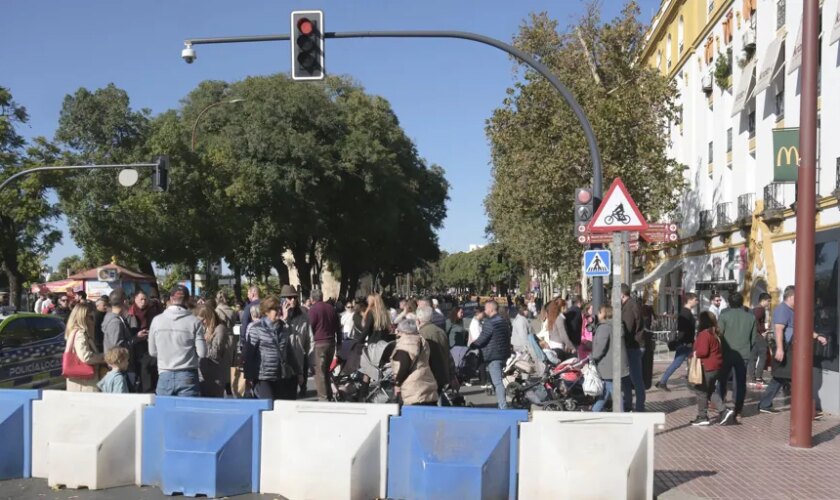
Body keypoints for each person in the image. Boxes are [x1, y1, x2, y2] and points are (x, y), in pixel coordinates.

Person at [758, 286, 828, 414]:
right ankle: (807, 410)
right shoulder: (783, 310)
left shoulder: (793, 311)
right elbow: (779, 329)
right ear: (791, 297)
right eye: (798, 298)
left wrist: (817, 336)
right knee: (795, 378)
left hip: (791, 350)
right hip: (786, 349)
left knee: (780, 378)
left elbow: (802, 328)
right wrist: (780, 349)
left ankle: (765, 404)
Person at [148, 285, 207, 397]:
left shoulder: (157, 321)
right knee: (187, 413)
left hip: (165, 374)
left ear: (170, 299)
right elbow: (202, 353)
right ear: (187, 300)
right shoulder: (194, 322)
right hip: (187, 375)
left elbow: (152, 352)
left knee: (165, 413)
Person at [245, 296, 302, 400]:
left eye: (279, 308)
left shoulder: (284, 329)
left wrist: (298, 372)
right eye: (275, 309)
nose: (279, 311)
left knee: (280, 407)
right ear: (266, 311)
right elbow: (249, 355)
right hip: (263, 377)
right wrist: (248, 377)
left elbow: (289, 353)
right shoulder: (256, 329)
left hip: (281, 376)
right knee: (268, 405)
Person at [691, 312, 736, 426]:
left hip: (706, 366)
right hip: (716, 367)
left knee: (700, 391)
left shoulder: (704, 334)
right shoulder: (714, 333)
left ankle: (702, 416)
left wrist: (695, 353)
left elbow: (703, 351)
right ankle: (724, 411)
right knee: (710, 390)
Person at [717, 292, 756, 420]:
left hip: (726, 353)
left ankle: (720, 404)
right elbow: (753, 339)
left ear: (729, 302)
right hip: (743, 353)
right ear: (742, 302)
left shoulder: (724, 316)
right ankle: (738, 409)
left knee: (722, 380)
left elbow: (719, 335)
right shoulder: (751, 317)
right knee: (739, 382)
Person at [469, 300, 512, 409]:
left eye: (486, 308)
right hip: (503, 355)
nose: (485, 310)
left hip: (493, 356)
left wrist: (473, 345)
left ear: (492, 309)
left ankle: (503, 406)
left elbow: (483, 338)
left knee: (497, 383)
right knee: (495, 381)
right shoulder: (503, 321)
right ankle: (501, 404)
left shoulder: (490, 322)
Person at [590, 305, 630, 412]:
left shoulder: (604, 328)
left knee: (613, 391)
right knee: (606, 391)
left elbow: (600, 348)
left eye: (599, 313)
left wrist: (592, 357)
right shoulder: (617, 325)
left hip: (608, 366)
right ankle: (595, 411)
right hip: (616, 365)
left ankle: (620, 414)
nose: (597, 315)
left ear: (603, 314)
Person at [391, 316, 438, 406]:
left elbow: (404, 365)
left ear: (401, 331)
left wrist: (397, 383)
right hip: (428, 383)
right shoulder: (422, 341)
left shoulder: (405, 343)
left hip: (413, 388)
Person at [656, 293, 699, 391]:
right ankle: (662, 382)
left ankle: (693, 382)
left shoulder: (686, 312)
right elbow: (682, 331)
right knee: (677, 364)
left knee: (688, 363)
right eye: (695, 299)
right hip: (685, 344)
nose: (697, 302)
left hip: (686, 344)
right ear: (690, 300)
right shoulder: (685, 313)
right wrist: (682, 342)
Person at [417, 306, 458, 397]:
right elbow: (448, 354)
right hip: (443, 374)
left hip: (430, 376)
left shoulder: (421, 334)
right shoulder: (440, 331)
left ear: (418, 320)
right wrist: (452, 375)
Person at [308, 289, 341, 400]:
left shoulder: (313, 310)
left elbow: (310, 328)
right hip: (331, 343)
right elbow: (338, 327)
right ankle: (329, 395)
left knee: (319, 373)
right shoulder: (331, 308)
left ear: (312, 299)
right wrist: (339, 342)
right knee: (326, 371)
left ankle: (324, 398)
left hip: (319, 344)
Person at [63, 302, 104, 392]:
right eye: (91, 317)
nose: (94, 321)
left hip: (79, 381)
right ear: (83, 317)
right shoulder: (81, 334)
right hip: (84, 384)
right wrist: (103, 357)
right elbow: (86, 357)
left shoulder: (75, 331)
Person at [102, 289, 139, 387]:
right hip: (119, 367)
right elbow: (117, 348)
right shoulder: (115, 322)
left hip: (119, 367)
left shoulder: (114, 318)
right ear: (124, 302)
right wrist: (136, 338)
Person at [280, 285, 312, 398]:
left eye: (294, 297)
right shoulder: (277, 317)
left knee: (292, 395)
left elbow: (310, 340)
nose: (293, 300)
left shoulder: (303, 317)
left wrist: (310, 359)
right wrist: (283, 319)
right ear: (283, 300)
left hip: (298, 359)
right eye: (289, 298)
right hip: (281, 362)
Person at [196, 304, 233, 397]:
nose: (202, 322)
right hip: (202, 373)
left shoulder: (220, 329)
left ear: (210, 317)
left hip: (215, 375)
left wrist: (202, 344)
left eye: (204, 319)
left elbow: (215, 354)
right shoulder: (204, 328)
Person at [127, 290, 160, 393]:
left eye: (145, 299)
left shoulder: (152, 312)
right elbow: (128, 335)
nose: (143, 301)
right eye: (141, 299)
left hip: (149, 349)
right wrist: (137, 336)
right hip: (135, 351)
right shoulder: (130, 313)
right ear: (135, 299)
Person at [621, 284, 646, 412]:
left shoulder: (629, 308)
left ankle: (639, 406)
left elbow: (628, 329)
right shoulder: (630, 305)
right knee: (627, 377)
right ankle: (628, 404)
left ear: (621, 294)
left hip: (633, 346)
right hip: (632, 346)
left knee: (635, 379)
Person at [749, 293, 772, 382]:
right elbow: (755, 320)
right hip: (759, 336)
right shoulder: (761, 309)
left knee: (753, 356)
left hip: (754, 335)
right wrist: (761, 332)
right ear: (763, 300)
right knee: (763, 355)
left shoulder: (754, 309)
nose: (769, 303)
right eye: (768, 301)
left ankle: (752, 376)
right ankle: (758, 376)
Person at [239, 286, 261, 353]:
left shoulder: (249, 307)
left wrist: (242, 341)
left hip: (252, 339)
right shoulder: (264, 305)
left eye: (248, 294)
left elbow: (244, 324)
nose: (248, 296)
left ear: (253, 294)